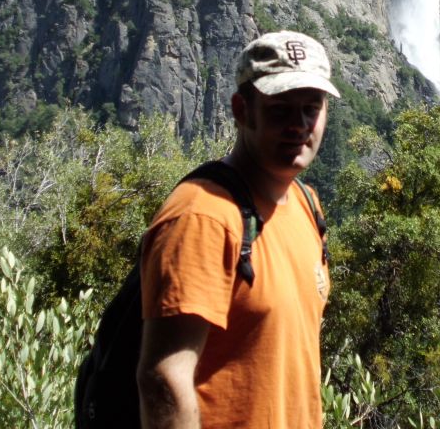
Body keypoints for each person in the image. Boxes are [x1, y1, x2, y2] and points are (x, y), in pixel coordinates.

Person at [136, 30, 339, 428]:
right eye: (280, 110)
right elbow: (163, 378)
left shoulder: (306, 204)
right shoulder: (202, 217)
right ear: (241, 110)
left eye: (311, 108)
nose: (299, 125)